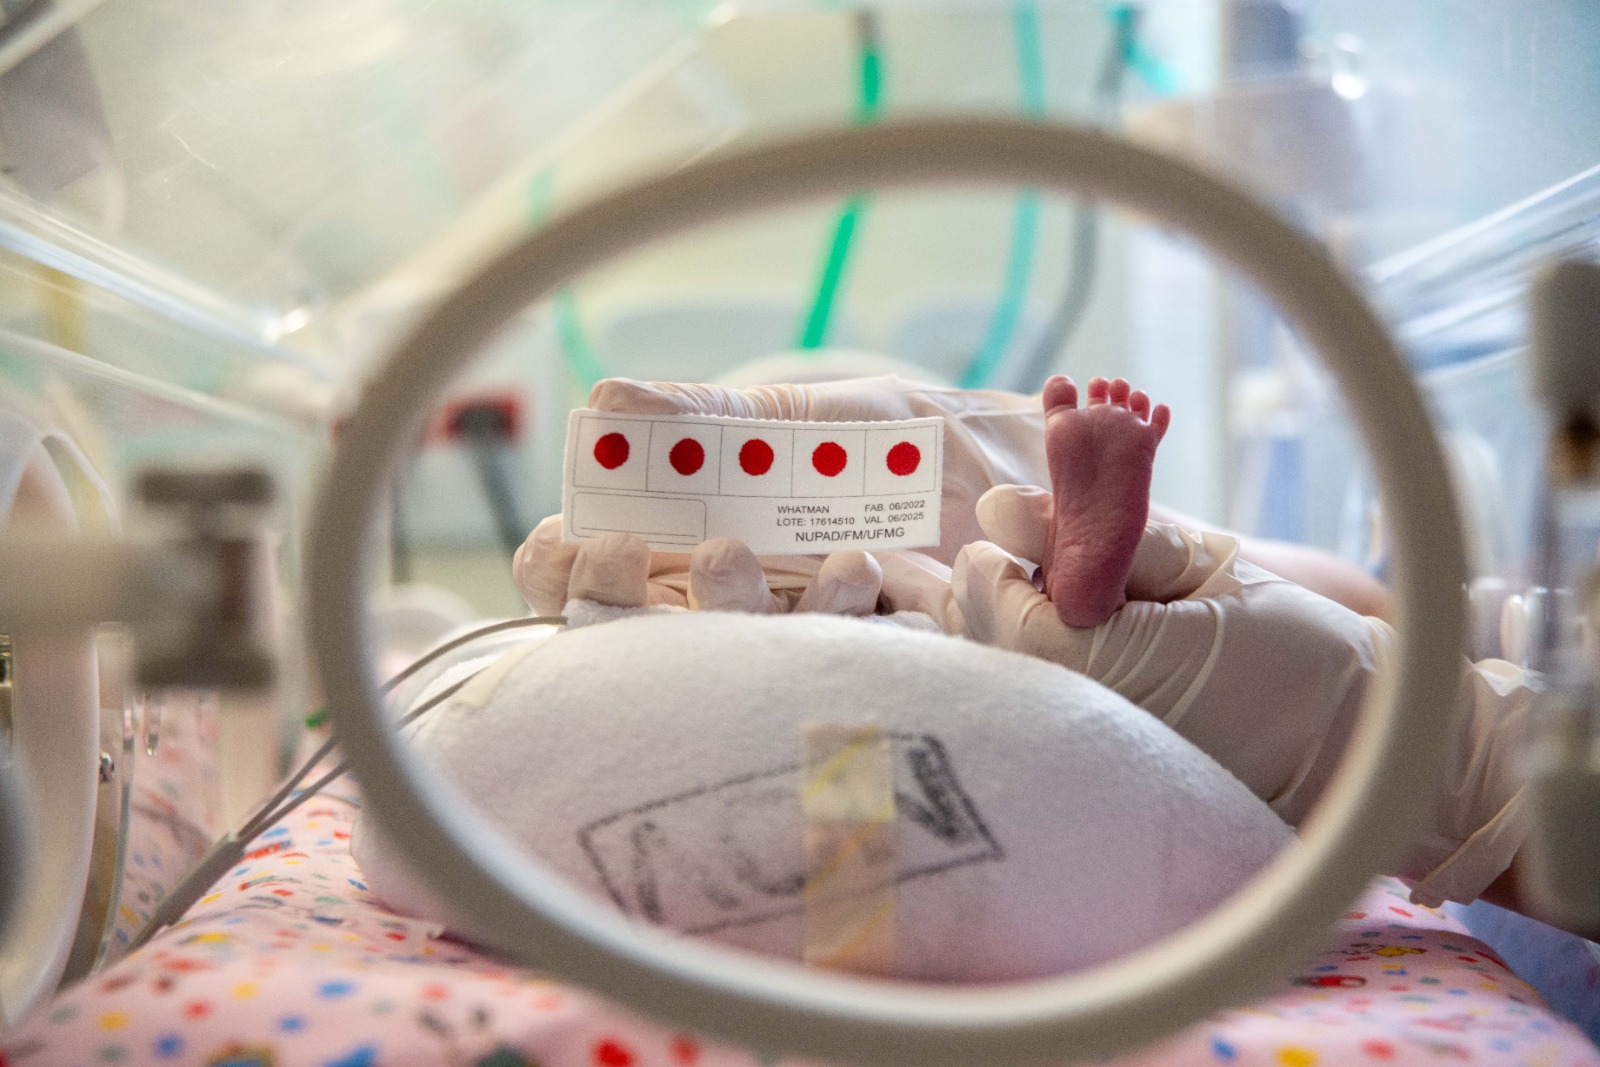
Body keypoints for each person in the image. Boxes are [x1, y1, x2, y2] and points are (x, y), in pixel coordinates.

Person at [514, 373, 1531, 915]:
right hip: (1047, 769)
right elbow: (1375, 610)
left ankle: (1060, 574)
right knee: (944, 642)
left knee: (870, 672)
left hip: (897, 760)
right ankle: (1078, 569)